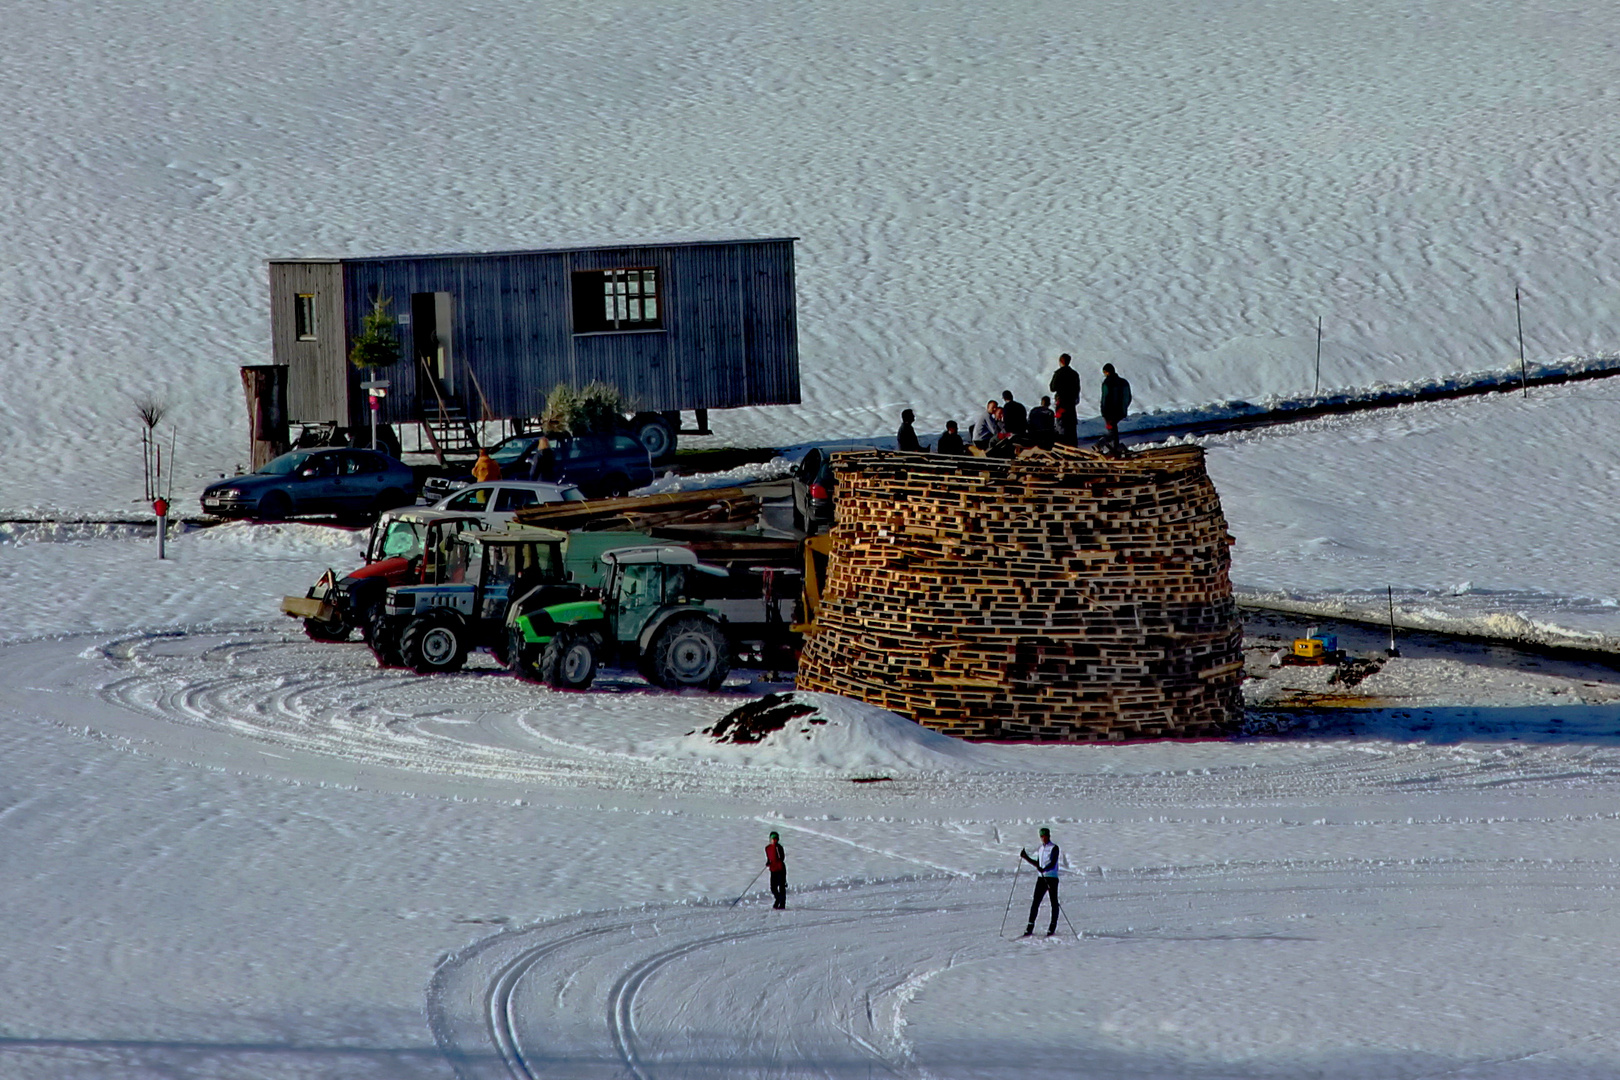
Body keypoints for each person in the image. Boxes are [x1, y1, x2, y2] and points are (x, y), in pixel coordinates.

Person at [1020, 827, 1061, 937]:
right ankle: (1029, 927)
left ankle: (1052, 927)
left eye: (1045, 836)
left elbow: (1053, 863)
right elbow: (1038, 864)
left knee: (1053, 902)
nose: (1043, 838)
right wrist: (1026, 857)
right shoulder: (1041, 849)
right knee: (1035, 902)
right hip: (1041, 878)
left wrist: (1045, 869)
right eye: (1041, 836)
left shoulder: (1054, 848)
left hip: (1052, 878)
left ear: (1049, 836)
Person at [1099, 363, 1133, 454]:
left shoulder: (1107, 383)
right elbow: (1128, 397)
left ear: (1106, 372)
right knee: (1114, 429)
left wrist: (1103, 412)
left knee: (1111, 432)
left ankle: (1100, 444)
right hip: (1120, 411)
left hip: (1109, 413)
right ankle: (1116, 448)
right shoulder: (1123, 382)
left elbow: (1105, 398)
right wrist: (1124, 407)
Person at [1049, 353, 1081, 447]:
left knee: (1061, 426)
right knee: (1071, 426)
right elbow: (1077, 388)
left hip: (1061, 403)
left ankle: (1062, 447)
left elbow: (1052, 387)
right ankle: (1074, 447)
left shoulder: (1058, 373)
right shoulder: (1074, 374)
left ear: (1061, 361)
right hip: (1071, 404)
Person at [766, 830, 788, 909]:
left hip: (780, 869)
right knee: (773, 887)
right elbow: (769, 858)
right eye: (773, 838)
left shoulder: (779, 847)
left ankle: (782, 903)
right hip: (773, 869)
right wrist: (768, 862)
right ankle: (778, 899)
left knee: (781, 886)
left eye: (776, 839)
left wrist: (777, 849)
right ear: (770, 839)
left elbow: (781, 858)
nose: (774, 840)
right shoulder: (767, 848)